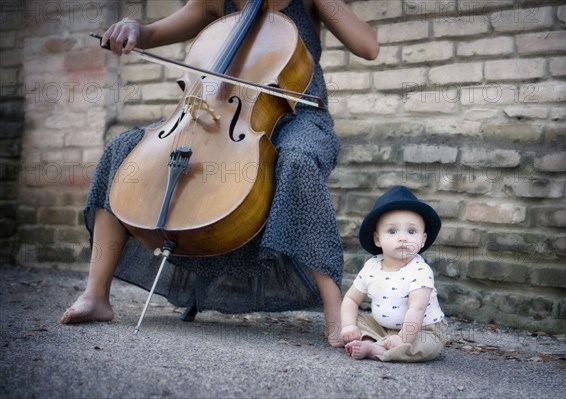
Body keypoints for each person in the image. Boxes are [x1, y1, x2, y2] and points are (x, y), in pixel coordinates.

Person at [60, 0, 379, 348]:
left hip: (299, 117)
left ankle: (337, 314)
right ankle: (96, 295)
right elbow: (152, 34)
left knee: (297, 161)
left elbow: (368, 48)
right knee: (125, 147)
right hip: (217, 115)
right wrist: (135, 30)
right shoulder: (212, 1)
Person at [340, 186, 447, 361]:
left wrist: (403, 338)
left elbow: (417, 309)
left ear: (423, 240)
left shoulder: (419, 270)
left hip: (421, 328)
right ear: (377, 239)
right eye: (392, 231)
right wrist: (348, 326)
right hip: (382, 326)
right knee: (357, 321)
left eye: (411, 231)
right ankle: (369, 339)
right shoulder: (371, 266)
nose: (403, 238)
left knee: (426, 346)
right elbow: (351, 299)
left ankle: (377, 349)